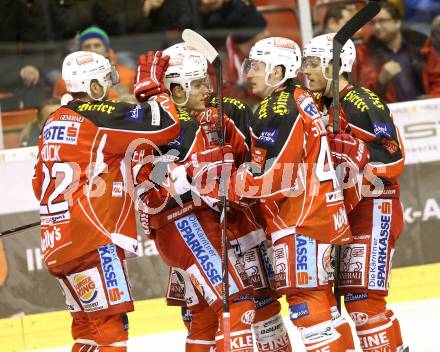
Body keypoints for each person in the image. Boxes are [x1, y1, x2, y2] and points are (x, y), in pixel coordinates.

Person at [32, 49, 180, 351]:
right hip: (94, 242)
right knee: (112, 330)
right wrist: (153, 88)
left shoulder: (52, 122)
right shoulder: (99, 115)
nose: (111, 90)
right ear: (94, 87)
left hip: (58, 243)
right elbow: (166, 125)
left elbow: (38, 184)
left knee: (87, 331)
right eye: (106, 83)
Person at [302, 33, 407, 352]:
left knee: (364, 305)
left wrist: (355, 152)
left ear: (335, 66)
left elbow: (394, 154)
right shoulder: (321, 104)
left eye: (312, 63)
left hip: (376, 210)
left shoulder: (360, 100)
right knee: (340, 305)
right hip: (346, 215)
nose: (306, 70)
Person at [354, 2, 440, 103]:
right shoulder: (364, 52)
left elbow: (437, 77)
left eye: (382, 21)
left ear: (397, 22)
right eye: (373, 23)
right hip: (388, 114)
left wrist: (433, 98)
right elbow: (360, 93)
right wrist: (380, 81)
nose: (377, 27)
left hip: (426, 110)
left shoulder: (421, 44)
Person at [52, 26, 136, 102]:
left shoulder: (129, 73)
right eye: (87, 46)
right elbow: (56, 106)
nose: (92, 49)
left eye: (97, 45)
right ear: (80, 52)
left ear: (107, 51)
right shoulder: (65, 80)